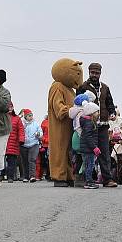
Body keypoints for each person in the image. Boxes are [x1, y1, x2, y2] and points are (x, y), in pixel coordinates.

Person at [78, 63, 118, 187]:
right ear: (89, 72)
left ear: (100, 73)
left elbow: (109, 102)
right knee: (87, 151)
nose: (94, 75)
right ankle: (85, 178)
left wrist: (112, 112)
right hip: (89, 124)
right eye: (92, 72)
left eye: (97, 73)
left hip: (103, 124)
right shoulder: (83, 86)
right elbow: (78, 103)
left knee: (105, 152)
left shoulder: (105, 87)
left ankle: (107, 179)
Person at [48, 58, 83, 187]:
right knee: (59, 149)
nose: (79, 78)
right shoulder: (57, 86)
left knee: (68, 151)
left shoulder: (71, 90)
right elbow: (58, 107)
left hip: (69, 125)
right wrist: (72, 110)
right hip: (60, 125)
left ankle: (68, 175)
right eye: (77, 74)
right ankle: (58, 176)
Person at [79, 102, 101, 189]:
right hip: (88, 149)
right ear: (91, 113)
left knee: (88, 165)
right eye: (97, 112)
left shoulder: (88, 122)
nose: (98, 113)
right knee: (90, 165)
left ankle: (89, 180)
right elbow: (88, 137)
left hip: (87, 148)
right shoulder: (89, 123)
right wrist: (94, 147)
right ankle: (89, 182)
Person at [20, 109, 42, 183]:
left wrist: (39, 134)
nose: (31, 117)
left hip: (34, 143)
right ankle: (26, 177)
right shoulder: (22, 123)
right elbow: (19, 131)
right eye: (29, 115)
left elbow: (40, 131)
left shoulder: (36, 124)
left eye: (31, 115)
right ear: (25, 116)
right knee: (25, 161)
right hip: (24, 144)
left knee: (32, 159)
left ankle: (32, 176)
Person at [5, 103, 25, 183]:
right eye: (8, 107)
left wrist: (21, 140)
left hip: (13, 143)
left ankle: (10, 177)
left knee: (11, 162)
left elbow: (21, 130)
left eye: (11, 107)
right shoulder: (3, 117)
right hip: (3, 142)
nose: (10, 108)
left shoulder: (17, 118)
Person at [38, 115, 50, 180]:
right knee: (44, 161)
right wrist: (45, 140)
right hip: (45, 145)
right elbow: (41, 133)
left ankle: (50, 174)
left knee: (50, 161)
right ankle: (42, 175)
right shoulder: (44, 122)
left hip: (53, 145)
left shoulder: (55, 122)